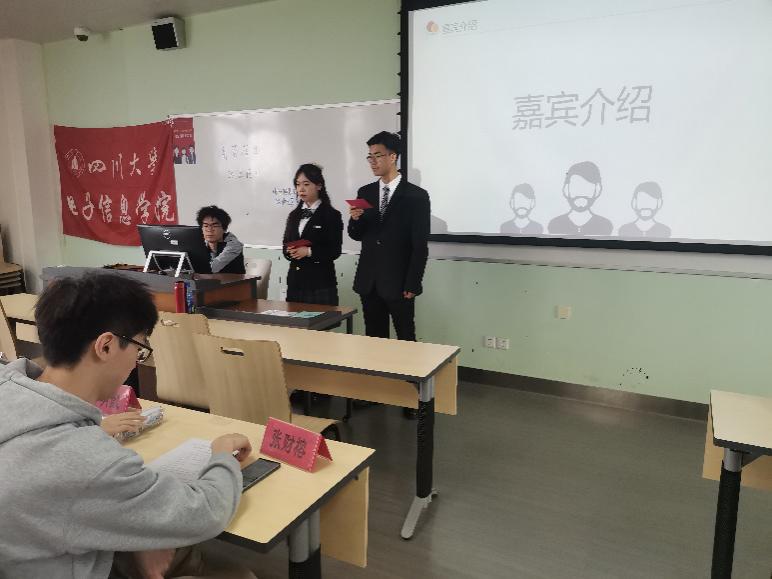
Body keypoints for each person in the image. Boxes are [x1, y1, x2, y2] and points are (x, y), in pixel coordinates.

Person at [0, 273, 256, 579]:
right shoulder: (87, 461)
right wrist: (223, 455)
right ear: (106, 346)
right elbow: (205, 513)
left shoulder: (10, 390)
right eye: (139, 348)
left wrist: (136, 539)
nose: (136, 361)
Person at [349, 132, 430, 419]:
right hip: (370, 279)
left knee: (405, 338)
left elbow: (419, 245)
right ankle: (377, 393)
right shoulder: (365, 192)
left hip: (399, 281)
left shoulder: (416, 196)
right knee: (374, 338)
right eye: (369, 156)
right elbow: (357, 235)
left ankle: (411, 398)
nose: (372, 161)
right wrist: (354, 221)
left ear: (393, 156)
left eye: (378, 155)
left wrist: (413, 283)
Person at [282, 163, 343, 305]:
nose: (301, 189)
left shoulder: (331, 215)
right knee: (293, 319)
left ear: (319, 186)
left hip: (319, 282)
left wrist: (308, 251)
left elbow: (334, 250)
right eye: (298, 184)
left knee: (322, 319)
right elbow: (285, 244)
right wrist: (289, 251)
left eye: (306, 184)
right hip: (295, 282)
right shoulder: (293, 215)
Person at [548, 161, 613, 235]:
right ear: (566, 188)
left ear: (597, 189)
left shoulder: (605, 225)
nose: (581, 193)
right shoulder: (555, 224)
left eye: (587, 187)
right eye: (576, 186)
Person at [196, 205, 246, 274]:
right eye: (205, 226)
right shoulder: (200, 243)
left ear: (224, 228)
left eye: (215, 226)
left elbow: (212, 268)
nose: (209, 230)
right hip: (209, 280)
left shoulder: (234, 245)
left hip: (233, 280)